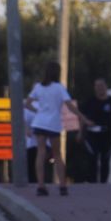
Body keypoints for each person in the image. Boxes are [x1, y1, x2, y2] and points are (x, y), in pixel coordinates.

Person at [24, 61, 81, 197]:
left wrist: (38, 111)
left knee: (41, 153)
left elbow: (27, 104)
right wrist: (81, 117)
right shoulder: (59, 88)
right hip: (53, 124)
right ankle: (62, 185)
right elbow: (69, 105)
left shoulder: (38, 87)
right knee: (57, 155)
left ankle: (41, 186)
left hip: (39, 123)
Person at [79, 77, 111, 183]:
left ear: (106, 87)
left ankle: (103, 182)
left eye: (102, 86)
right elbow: (82, 117)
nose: (100, 88)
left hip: (107, 134)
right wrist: (80, 132)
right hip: (92, 134)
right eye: (97, 86)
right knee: (92, 157)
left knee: (105, 159)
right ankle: (92, 182)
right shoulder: (90, 101)